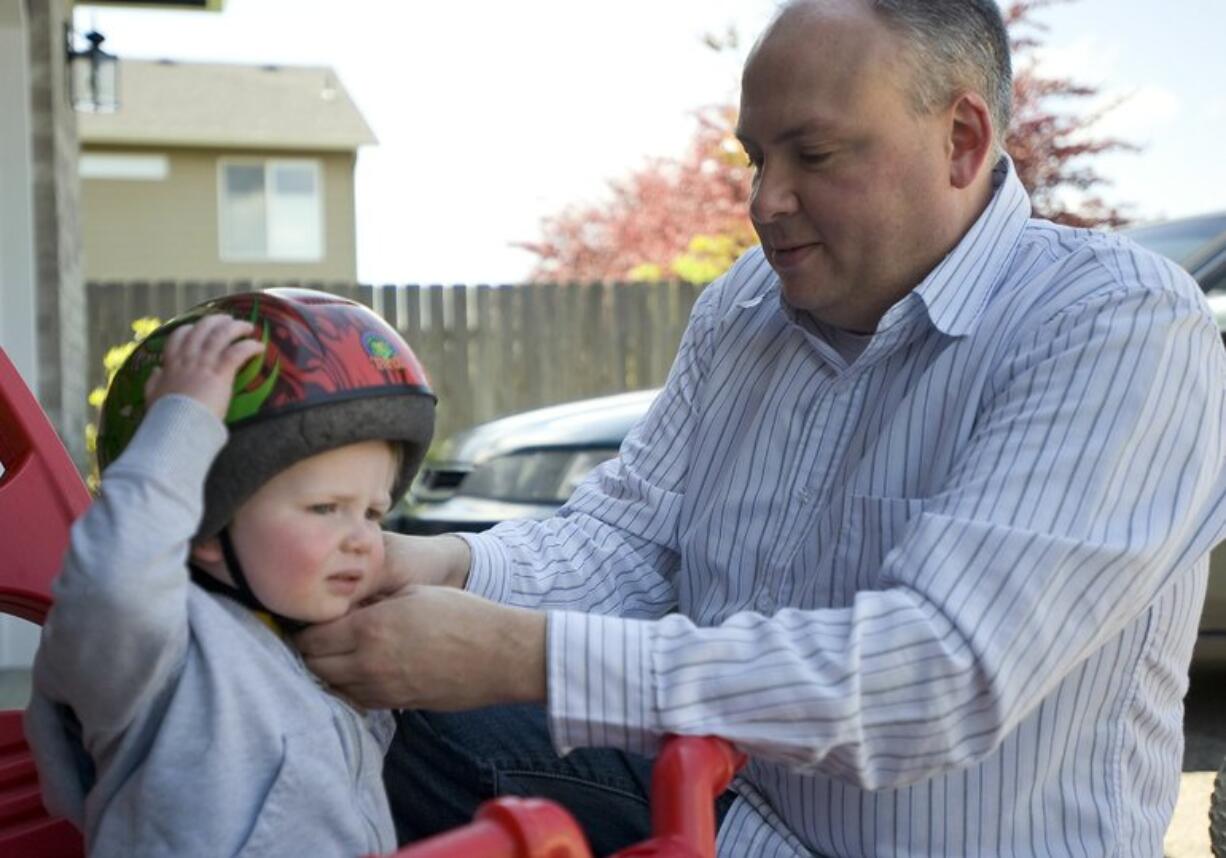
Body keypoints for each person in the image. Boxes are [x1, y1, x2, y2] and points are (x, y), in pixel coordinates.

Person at [298, 1, 1226, 855]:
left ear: (962, 138)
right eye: (756, 158)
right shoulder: (749, 305)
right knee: (343, 693)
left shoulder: (1117, 323)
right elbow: (632, 537)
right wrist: (442, 568)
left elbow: (939, 679)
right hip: (723, 810)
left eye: (813, 157)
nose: (764, 201)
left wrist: (517, 656)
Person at [24, 289, 436, 856]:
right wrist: (185, 422)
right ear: (208, 523)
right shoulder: (160, 652)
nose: (364, 539)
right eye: (325, 508)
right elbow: (113, 584)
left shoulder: (317, 643)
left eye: (372, 512)